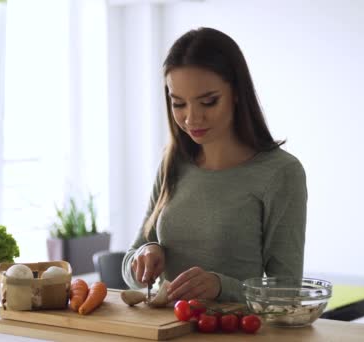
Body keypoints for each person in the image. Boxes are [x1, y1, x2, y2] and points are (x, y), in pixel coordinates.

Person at [121, 27, 308, 303]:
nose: (191, 118)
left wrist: (222, 287)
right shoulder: (173, 161)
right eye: (178, 104)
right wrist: (144, 256)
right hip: (166, 331)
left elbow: (286, 293)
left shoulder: (281, 173)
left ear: (236, 92)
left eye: (208, 102)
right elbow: (130, 264)